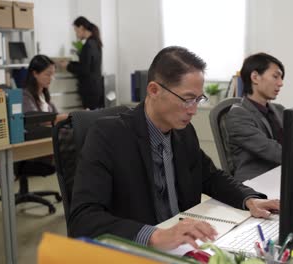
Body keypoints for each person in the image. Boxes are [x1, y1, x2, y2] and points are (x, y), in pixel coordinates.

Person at [69, 46, 280, 250]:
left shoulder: (183, 132)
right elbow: (84, 218)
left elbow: (211, 176)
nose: (194, 110)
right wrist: (155, 235)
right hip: (139, 249)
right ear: (154, 90)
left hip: (182, 245)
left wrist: (248, 199)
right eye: (188, 100)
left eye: (198, 100)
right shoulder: (108, 135)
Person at [225, 53, 285, 182]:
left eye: (281, 78)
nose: (281, 83)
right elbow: (272, 151)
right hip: (255, 182)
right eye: (275, 77)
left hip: (280, 175)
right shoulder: (238, 115)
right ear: (255, 77)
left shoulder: (279, 110)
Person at [59, 16, 103, 110]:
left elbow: (84, 69)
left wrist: (68, 66)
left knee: (89, 117)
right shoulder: (95, 43)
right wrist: (71, 63)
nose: (76, 34)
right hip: (95, 87)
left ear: (81, 28)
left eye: (76, 30)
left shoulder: (88, 45)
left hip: (89, 89)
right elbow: (87, 65)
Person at [23, 54, 68, 123]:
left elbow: (58, 118)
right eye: (48, 74)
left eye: (53, 74)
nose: (52, 78)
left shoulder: (44, 96)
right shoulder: (25, 96)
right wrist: (70, 116)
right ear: (35, 74)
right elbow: (37, 120)